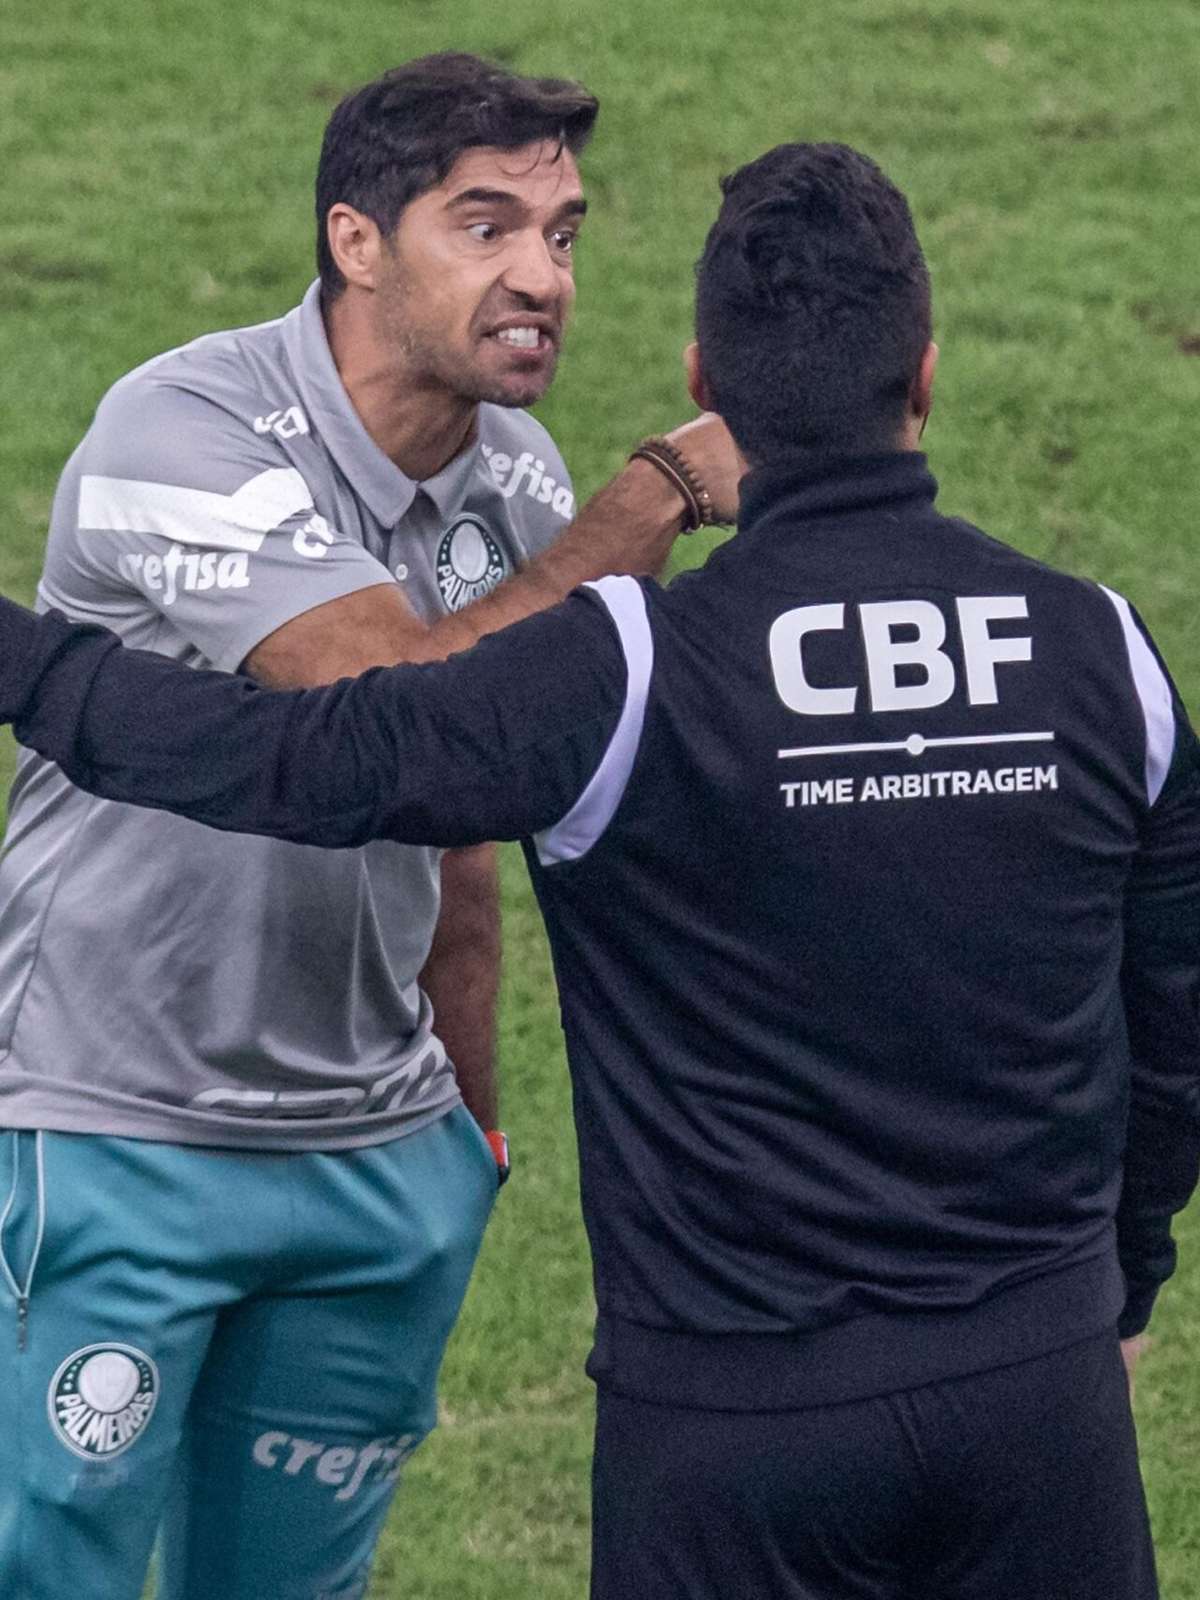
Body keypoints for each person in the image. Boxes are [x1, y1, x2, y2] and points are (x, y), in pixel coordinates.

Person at [2, 141, 1197, 1600]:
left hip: (730, 1432)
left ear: (707, 384)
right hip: (1037, 1395)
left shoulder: (622, 670)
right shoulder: (1106, 652)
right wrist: (1124, 1279)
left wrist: (22, 655)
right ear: (926, 378)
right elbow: (1175, 1023)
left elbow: (295, 762)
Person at [0, 51, 741, 1600]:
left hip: (372, 1166)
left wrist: (459, 1131)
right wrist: (659, 493)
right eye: (488, 226)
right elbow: (386, 715)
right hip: (114, 1131)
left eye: (566, 232)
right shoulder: (182, 430)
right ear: (356, 240)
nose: (544, 274)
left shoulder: (519, 490)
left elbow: (461, 832)